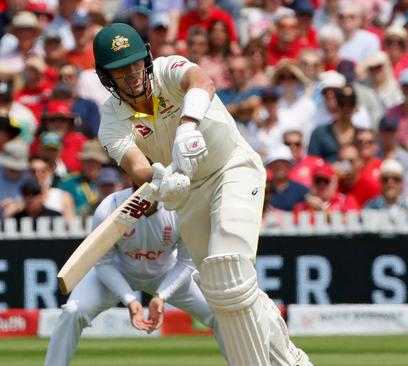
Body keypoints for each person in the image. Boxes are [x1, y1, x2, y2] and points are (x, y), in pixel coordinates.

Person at [93, 23, 310, 365]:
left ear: (146, 59)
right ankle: (291, 360)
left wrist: (188, 124)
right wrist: (162, 180)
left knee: (230, 269)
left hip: (231, 169)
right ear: (106, 76)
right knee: (219, 288)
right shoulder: (111, 118)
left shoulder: (167, 69)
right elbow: (137, 167)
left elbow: (202, 81)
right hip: (188, 191)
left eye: (135, 63)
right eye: (120, 70)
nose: (132, 74)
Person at [43, 187, 226, 366]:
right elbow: (102, 263)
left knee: (221, 315)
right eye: (138, 186)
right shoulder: (111, 206)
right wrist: (129, 299)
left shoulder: (181, 207)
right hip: (119, 270)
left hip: (167, 273)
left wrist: (162, 296)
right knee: (73, 311)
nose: (145, 193)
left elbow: (186, 261)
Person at [293, 162, 360, 223]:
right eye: (318, 181)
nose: (322, 185)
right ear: (312, 183)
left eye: (326, 181)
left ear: (335, 183)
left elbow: (353, 219)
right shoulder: (302, 206)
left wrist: (322, 210)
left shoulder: (346, 200)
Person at [59, 140, 109, 213]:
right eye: (88, 161)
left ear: (101, 163)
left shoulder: (108, 182)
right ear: (82, 162)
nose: (92, 165)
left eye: (96, 161)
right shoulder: (68, 183)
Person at [265, 145, 309, 212]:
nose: (278, 167)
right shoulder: (264, 191)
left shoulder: (302, 191)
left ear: (289, 165)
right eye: (275, 163)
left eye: (282, 163)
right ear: (270, 167)